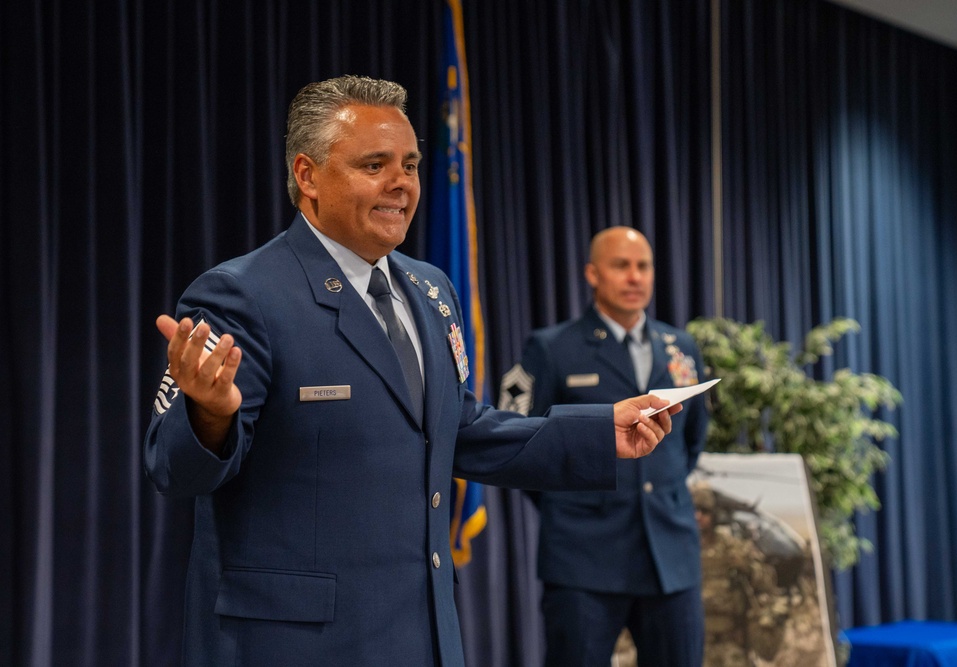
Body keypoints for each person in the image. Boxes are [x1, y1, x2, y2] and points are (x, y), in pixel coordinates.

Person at [142, 76, 680, 667]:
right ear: (307, 175)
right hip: (293, 642)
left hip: (421, 631)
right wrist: (208, 414)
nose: (401, 184)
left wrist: (601, 429)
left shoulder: (430, 290)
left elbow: (461, 430)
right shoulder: (239, 296)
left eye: (411, 165)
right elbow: (174, 469)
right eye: (375, 165)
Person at [504, 226, 708, 666]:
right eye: (621, 266)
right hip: (584, 559)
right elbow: (523, 444)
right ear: (593, 274)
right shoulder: (552, 348)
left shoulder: (682, 346)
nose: (635, 277)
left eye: (643, 266)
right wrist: (575, 503)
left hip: (670, 558)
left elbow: (690, 443)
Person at [693, 483, 787, 667]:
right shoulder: (678, 551)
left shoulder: (733, 548)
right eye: (694, 510)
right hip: (693, 643)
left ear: (713, 515)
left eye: (704, 511)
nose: (698, 516)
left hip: (730, 643)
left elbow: (767, 581)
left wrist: (748, 568)